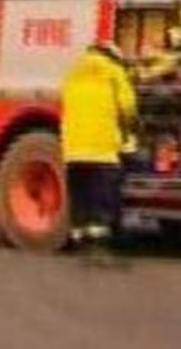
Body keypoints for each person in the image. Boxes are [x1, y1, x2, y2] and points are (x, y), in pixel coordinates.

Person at [60, 40, 137, 252]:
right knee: (101, 197)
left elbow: (65, 103)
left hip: (73, 150)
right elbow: (128, 106)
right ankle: (99, 240)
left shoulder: (73, 71)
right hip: (102, 149)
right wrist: (131, 131)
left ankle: (77, 234)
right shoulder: (113, 71)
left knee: (79, 195)